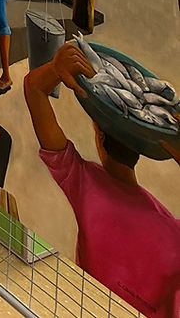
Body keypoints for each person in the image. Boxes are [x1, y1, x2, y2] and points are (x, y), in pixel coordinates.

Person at [23, 40, 180, 318]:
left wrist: (56, 69)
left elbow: (34, 90)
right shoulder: (171, 228)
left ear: (99, 135)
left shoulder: (83, 183)